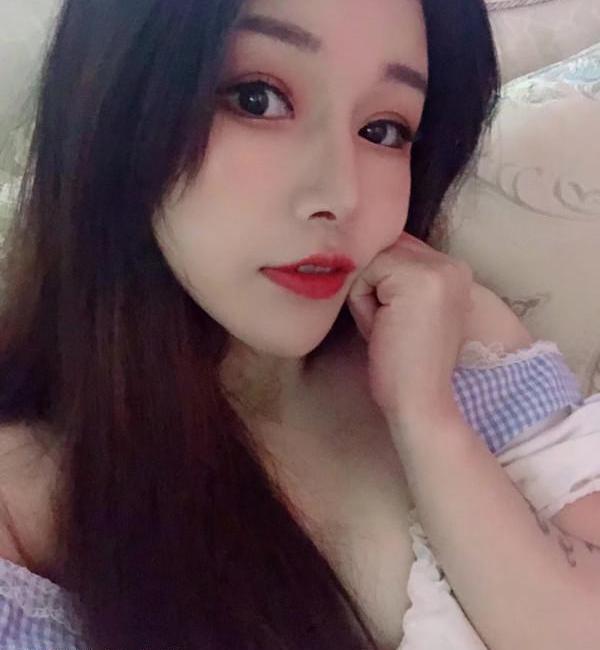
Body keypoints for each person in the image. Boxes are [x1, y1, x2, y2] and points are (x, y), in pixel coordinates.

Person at [0, 0, 599, 648]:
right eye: (257, 99)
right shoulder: (23, 518)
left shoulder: (454, 336)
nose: (342, 195)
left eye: (383, 129)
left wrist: (428, 420)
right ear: (114, 99)